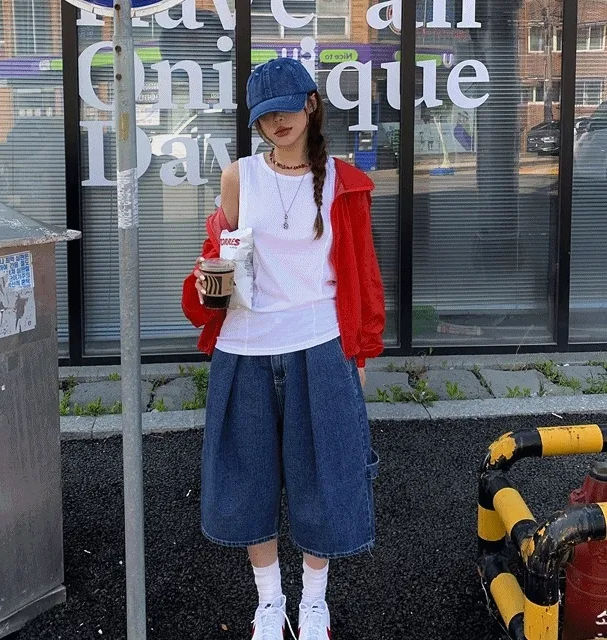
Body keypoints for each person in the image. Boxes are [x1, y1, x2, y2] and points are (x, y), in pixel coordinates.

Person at [182, 57, 385, 640]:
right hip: (244, 347)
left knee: (325, 476)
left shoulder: (345, 182)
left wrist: (361, 353)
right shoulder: (238, 176)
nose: (278, 122)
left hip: (321, 346)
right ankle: (270, 603)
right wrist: (206, 280)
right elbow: (221, 258)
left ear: (311, 105)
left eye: (287, 108)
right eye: (265, 114)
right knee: (250, 478)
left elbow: (363, 275)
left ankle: (314, 603)